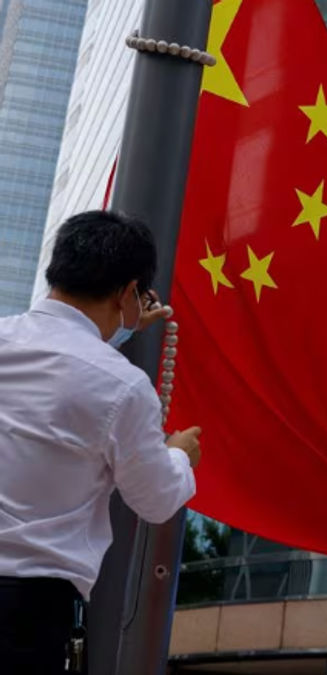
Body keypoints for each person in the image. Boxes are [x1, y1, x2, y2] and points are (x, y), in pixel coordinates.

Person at [0, 210, 200, 673]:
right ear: (130, 292)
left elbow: (58, 374)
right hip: (30, 611)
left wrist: (123, 329)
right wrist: (179, 456)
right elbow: (154, 499)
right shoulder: (123, 387)